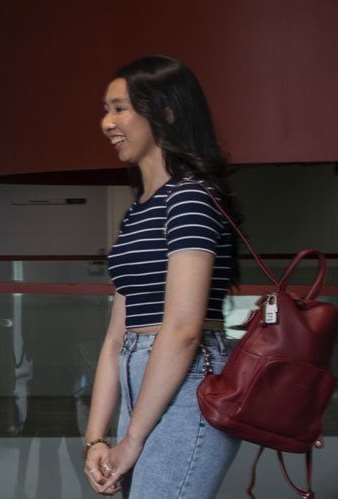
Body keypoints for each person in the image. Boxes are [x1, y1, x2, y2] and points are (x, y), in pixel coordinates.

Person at [84, 56, 241, 497]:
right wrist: (96, 437)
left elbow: (184, 330)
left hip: (188, 380)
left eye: (119, 108)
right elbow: (117, 337)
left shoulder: (189, 200)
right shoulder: (139, 211)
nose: (106, 122)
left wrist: (132, 440)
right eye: (106, 108)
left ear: (166, 113)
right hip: (145, 374)